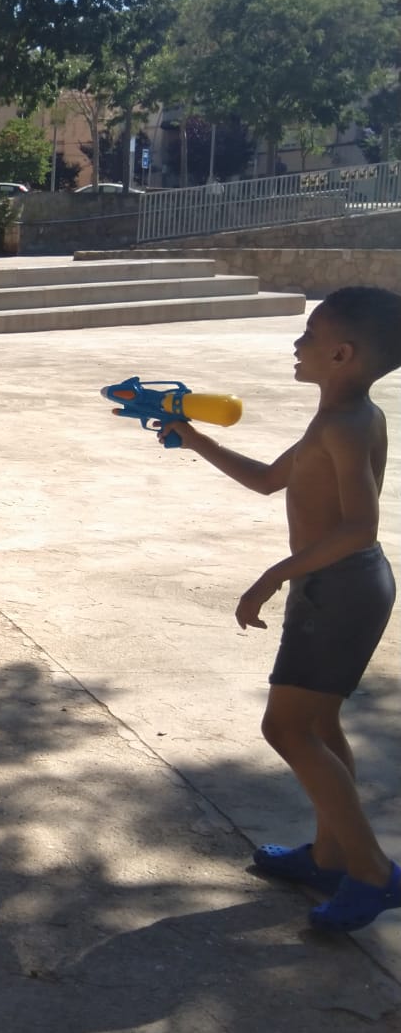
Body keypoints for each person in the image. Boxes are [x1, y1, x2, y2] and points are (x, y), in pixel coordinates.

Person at [163, 287, 400, 933]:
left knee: (286, 729)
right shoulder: (340, 416)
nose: (297, 343)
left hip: (339, 590)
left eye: (309, 334)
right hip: (338, 587)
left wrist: (271, 577)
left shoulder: (345, 426)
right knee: (317, 724)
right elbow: (269, 480)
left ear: (341, 353)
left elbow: (359, 527)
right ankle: (329, 857)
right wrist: (193, 438)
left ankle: (373, 873)